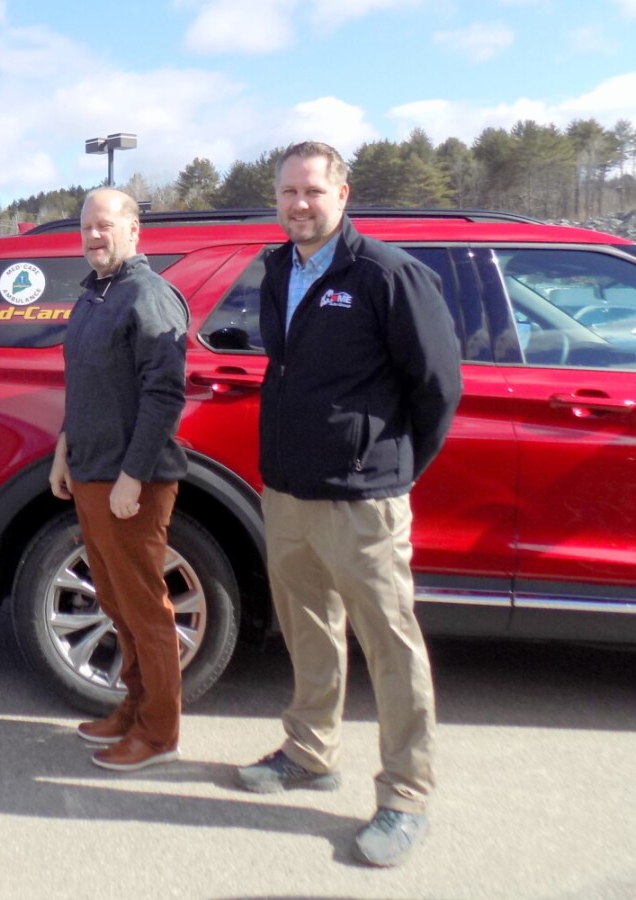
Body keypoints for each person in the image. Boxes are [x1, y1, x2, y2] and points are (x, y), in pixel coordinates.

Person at [233, 141, 462, 867]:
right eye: (288, 193)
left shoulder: (387, 274)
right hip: (287, 490)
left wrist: (390, 467)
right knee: (307, 627)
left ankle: (405, 796)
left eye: (312, 191)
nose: (299, 204)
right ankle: (309, 752)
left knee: (391, 645)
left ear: (342, 194)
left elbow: (438, 386)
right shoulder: (279, 269)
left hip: (363, 500)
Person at [50, 188, 189, 772]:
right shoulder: (94, 295)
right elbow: (84, 386)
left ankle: (158, 734)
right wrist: (63, 451)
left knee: (144, 609)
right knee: (116, 602)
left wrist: (133, 476)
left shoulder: (148, 295)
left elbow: (165, 393)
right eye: (87, 226)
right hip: (90, 470)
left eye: (105, 225)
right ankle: (133, 708)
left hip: (130, 482)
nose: (93, 236)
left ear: (134, 231)